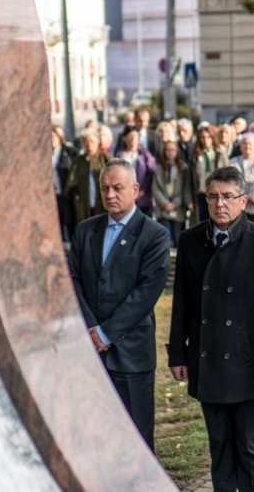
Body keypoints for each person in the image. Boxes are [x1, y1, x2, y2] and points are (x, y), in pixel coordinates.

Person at [168, 166, 254, 492]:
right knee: (219, 446)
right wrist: (178, 353)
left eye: (227, 197)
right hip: (207, 359)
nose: (220, 203)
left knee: (249, 449)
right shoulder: (190, 240)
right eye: (213, 196)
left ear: (243, 200)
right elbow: (182, 303)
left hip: (247, 364)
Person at [68, 159, 171, 451]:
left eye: (117, 188)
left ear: (135, 189)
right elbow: (72, 280)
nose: (110, 194)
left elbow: (146, 293)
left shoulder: (155, 235)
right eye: (104, 188)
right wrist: (91, 329)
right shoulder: (85, 230)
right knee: (94, 432)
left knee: (135, 437)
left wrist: (106, 333)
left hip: (131, 352)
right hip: (90, 351)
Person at [66, 129, 112, 225]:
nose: (89, 144)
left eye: (91, 141)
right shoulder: (78, 161)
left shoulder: (106, 158)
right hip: (84, 202)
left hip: (103, 200)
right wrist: (75, 195)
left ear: (97, 142)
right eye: (85, 141)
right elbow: (71, 181)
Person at [188, 125, 230, 223]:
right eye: (202, 137)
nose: (205, 140)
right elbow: (189, 181)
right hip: (200, 195)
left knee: (217, 222)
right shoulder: (195, 156)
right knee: (202, 224)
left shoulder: (220, 154)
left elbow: (228, 176)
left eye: (208, 137)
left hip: (216, 195)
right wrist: (189, 201)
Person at [153, 140, 190, 246]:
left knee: (178, 238)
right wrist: (165, 204)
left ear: (177, 152)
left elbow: (185, 188)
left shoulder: (183, 168)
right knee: (165, 239)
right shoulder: (159, 169)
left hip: (178, 208)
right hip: (163, 209)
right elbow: (155, 188)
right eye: (167, 150)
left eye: (172, 150)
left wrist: (175, 203)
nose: (170, 152)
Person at [117, 127, 157, 218]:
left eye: (135, 136)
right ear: (124, 138)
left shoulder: (145, 155)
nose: (133, 138)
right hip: (124, 198)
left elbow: (151, 174)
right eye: (130, 136)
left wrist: (142, 192)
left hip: (144, 198)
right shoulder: (119, 155)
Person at [52, 124, 78, 240]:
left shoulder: (68, 151)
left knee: (70, 220)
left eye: (53, 136)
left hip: (67, 193)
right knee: (57, 222)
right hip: (53, 194)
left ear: (59, 137)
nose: (51, 140)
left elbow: (75, 172)